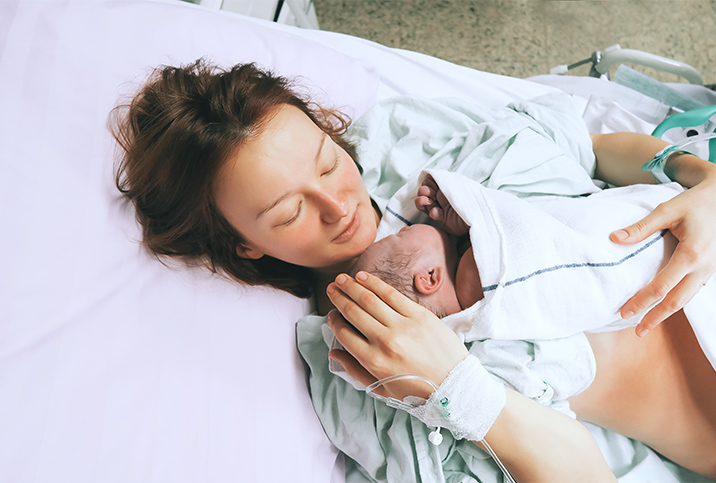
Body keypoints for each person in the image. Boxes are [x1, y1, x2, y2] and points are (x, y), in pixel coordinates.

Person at [112, 59, 716, 481]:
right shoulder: (361, 360)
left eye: (326, 163)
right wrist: (459, 388)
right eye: (290, 211)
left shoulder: (407, 144)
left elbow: (591, 148)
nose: (337, 205)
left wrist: (699, 180)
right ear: (243, 245)